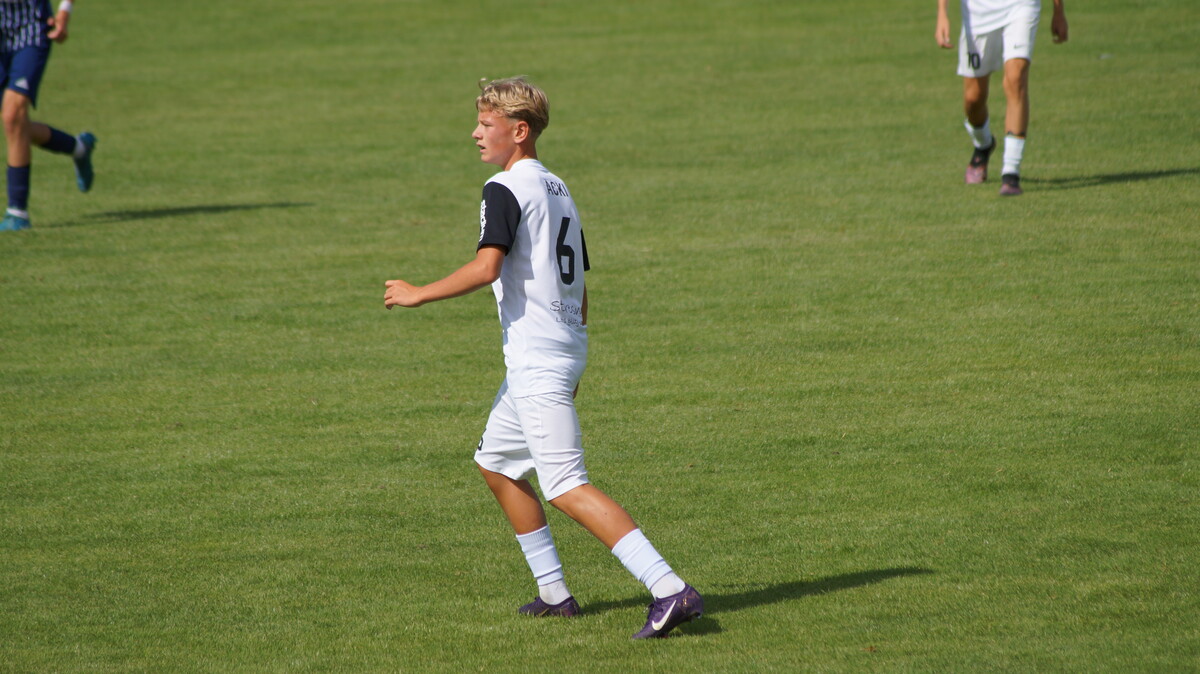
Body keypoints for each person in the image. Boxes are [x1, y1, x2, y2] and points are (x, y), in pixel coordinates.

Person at [384, 77, 703, 639]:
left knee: (565, 484)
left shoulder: (503, 187)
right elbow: (579, 282)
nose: (475, 133)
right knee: (497, 463)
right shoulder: (558, 187)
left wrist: (418, 293)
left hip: (538, 359)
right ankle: (555, 594)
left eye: (487, 124)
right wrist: (572, 353)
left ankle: (670, 589)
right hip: (560, 348)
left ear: (519, 131)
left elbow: (486, 267)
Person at [936, 0, 1067, 196]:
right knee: (973, 99)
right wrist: (942, 13)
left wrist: (1058, 11)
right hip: (978, 13)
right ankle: (983, 144)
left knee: (1016, 79)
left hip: (1020, 6)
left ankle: (1011, 173)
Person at [0, 0, 96, 232]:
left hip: (31, 29)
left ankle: (17, 212)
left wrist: (65, 11)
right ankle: (79, 148)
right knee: (15, 124)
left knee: (13, 115)